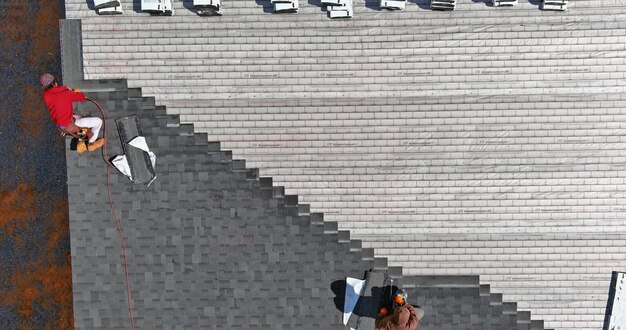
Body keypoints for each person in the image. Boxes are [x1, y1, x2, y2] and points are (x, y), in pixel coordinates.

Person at [40, 73, 104, 153]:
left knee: (83, 119)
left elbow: (58, 96)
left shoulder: (46, 95)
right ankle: (90, 144)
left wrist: (68, 90)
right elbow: (81, 97)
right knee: (98, 122)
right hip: (69, 124)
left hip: (61, 125)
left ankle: (81, 141)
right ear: (55, 83)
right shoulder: (65, 92)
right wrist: (74, 91)